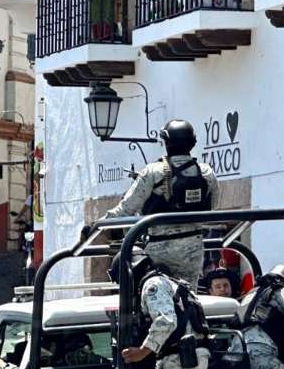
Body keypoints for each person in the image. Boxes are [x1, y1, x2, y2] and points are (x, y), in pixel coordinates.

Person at [89, 120, 219, 285]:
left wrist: (95, 226)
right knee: (188, 297)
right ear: (192, 143)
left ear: (166, 142)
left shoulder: (153, 172)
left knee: (153, 294)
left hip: (160, 248)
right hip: (193, 248)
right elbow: (213, 208)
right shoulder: (206, 172)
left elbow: (125, 209)